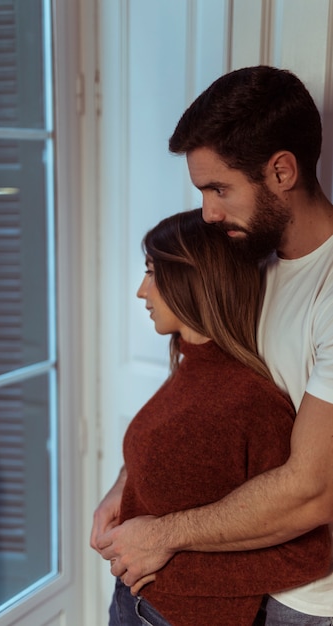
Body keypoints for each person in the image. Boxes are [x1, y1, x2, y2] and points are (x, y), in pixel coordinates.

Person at [91, 66, 333, 625]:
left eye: (219, 189)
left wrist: (161, 534)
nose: (209, 212)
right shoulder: (247, 262)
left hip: (307, 601)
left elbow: (312, 490)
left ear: (281, 171)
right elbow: (195, 390)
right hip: (222, 582)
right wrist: (126, 490)